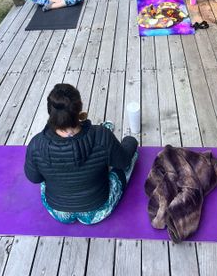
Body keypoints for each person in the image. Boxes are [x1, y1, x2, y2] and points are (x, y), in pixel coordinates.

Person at [24, 84, 138, 224]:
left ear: (51, 113)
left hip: (59, 212)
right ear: (78, 110)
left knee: (43, 174)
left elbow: (34, 178)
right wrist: (130, 141)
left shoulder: (36, 144)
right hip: (96, 210)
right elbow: (124, 161)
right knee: (129, 158)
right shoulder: (102, 136)